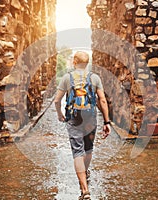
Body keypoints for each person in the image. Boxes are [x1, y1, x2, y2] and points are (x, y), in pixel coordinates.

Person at [54, 51, 111, 200]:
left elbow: (57, 100)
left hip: (74, 117)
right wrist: (107, 121)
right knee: (89, 148)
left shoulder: (67, 78)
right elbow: (102, 100)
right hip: (90, 117)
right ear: (87, 63)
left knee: (78, 151)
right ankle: (85, 171)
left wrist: (60, 114)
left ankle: (85, 190)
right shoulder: (94, 78)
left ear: (74, 61)